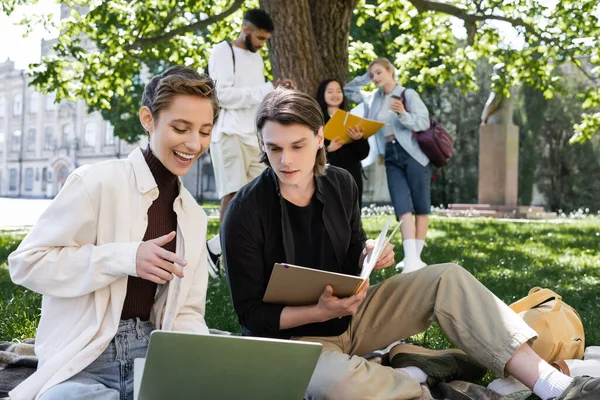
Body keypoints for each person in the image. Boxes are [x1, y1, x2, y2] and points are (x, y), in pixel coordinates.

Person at [222, 88, 599, 400]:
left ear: (320, 138)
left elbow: (352, 248)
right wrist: (317, 313)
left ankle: (555, 386)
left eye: (298, 146)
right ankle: (422, 384)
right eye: (274, 148)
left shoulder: (340, 184)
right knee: (330, 385)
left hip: (353, 317)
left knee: (446, 277)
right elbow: (251, 315)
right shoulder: (245, 210)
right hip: (294, 342)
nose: (285, 160)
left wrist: (370, 254)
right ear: (262, 144)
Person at [7, 66, 218, 400]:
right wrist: (124, 258)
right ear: (148, 119)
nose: (194, 143)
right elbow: (27, 263)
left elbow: (188, 311)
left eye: (205, 131)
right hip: (81, 360)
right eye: (181, 127)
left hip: (153, 357)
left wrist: (198, 362)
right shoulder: (96, 182)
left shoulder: (192, 214)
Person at [206, 8, 294, 276]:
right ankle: (229, 257)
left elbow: (256, 99)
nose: (261, 44)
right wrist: (265, 89)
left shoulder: (256, 60)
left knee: (261, 195)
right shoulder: (223, 51)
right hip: (228, 134)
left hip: (252, 136)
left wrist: (275, 91)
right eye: (259, 38)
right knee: (232, 195)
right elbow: (222, 95)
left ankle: (215, 247)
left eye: (265, 40)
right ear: (246, 30)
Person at [345, 57, 430, 273]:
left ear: (390, 71)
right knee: (402, 206)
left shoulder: (407, 94)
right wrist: (366, 75)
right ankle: (411, 259)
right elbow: (348, 90)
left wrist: (402, 113)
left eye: (379, 72)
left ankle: (414, 259)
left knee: (420, 207)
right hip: (390, 155)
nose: (375, 78)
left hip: (413, 154)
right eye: (372, 75)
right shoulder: (373, 98)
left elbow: (423, 122)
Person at [316, 79, 370, 208]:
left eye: (338, 91)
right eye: (330, 91)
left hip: (352, 175)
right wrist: (328, 149)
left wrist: (358, 139)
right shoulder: (317, 120)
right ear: (323, 94)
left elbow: (363, 154)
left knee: (353, 213)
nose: (335, 95)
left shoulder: (352, 119)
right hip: (327, 175)